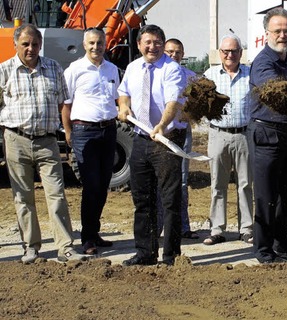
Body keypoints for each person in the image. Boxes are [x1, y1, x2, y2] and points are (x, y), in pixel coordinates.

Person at [0, 23, 87, 263]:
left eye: (35, 44)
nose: (30, 49)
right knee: (22, 196)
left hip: (47, 142)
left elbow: (63, 104)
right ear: (15, 44)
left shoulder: (54, 68)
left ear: (41, 45)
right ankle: (31, 247)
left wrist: (68, 132)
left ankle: (65, 247)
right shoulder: (4, 71)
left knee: (56, 194)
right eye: (25, 44)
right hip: (16, 140)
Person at [117, 24, 187, 266]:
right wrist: (124, 106)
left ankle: (171, 256)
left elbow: (173, 102)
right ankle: (145, 253)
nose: (152, 47)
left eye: (157, 42)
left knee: (169, 199)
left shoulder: (172, 69)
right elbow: (123, 92)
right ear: (139, 45)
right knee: (142, 199)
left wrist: (161, 125)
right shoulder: (133, 68)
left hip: (166, 140)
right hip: (140, 138)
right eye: (147, 42)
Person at [248, 8, 287, 264]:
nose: (282, 34)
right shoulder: (263, 62)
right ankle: (263, 251)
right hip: (265, 133)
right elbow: (276, 90)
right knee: (266, 196)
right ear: (266, 34)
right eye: (277, 30)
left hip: (286, 132)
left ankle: (283, 247)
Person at [61, 28, 117, 255]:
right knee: (91, 185)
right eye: (92, 43)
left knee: (103, 185)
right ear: (85, 45)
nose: (96, 47)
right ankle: (87, 238)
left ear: (106, 44)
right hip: (84, 131)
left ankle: (94, 232)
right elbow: (66, 104)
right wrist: (68, 132)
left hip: (109, 130)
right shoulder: (75, 70)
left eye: (100, 43)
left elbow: (115, 99)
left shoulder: (112, 69)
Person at [202, 34, 253, 245]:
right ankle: (217, 229)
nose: (229, 55)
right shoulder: (210, 75)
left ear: (241, 53)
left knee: (246, 184)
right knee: (217, 184)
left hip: (244, 135)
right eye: (225, 51)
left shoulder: (251, 75)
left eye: (234, 51)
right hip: (218, 135)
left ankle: (247, 228)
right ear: (220, 53)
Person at [156, 38, 199, 240]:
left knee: (181, 180)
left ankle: (182, 226)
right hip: (159, 133)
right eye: (170, 51)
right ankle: (157, 227)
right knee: (158, 180)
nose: (174, 55)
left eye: (178, 52)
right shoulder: (156, 72)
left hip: (182, 132)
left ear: (183, 55)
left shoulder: (191, 77)